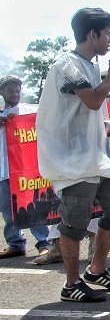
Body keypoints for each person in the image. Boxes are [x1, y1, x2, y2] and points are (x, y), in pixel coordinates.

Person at [36, 8, 110, 302]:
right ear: (93, 34)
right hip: (73, 159)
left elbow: (92, 112)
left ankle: (96, 269)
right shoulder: (68, 65)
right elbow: (91, 100)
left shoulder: (90, 67)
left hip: (97, 155)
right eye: (108, 33)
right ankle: (71, 284)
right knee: (75, 222)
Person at [0, 76, 51, 259]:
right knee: (8, 210)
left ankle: (44, 243)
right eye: (9, 90)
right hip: (4, 171)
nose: (14, 93)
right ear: (2, 93)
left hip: (27, 171)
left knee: (34, 207)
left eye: (17, 90)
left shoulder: (30, 111)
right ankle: (15, 244)